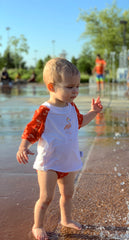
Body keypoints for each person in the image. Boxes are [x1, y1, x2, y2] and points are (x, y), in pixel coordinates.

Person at [16, 58, 103, 240]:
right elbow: (32, 130)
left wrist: (93, 113)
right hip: (49, 162)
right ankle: (37, 225)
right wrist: (23, 146)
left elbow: (80, 122)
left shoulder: (71, 107)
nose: (76, 91)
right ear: (52, 87)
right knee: (46, 197)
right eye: (70, 87)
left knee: (68, 194)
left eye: (77, 86)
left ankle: (66, 219)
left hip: (69, 161)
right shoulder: (45, 110)